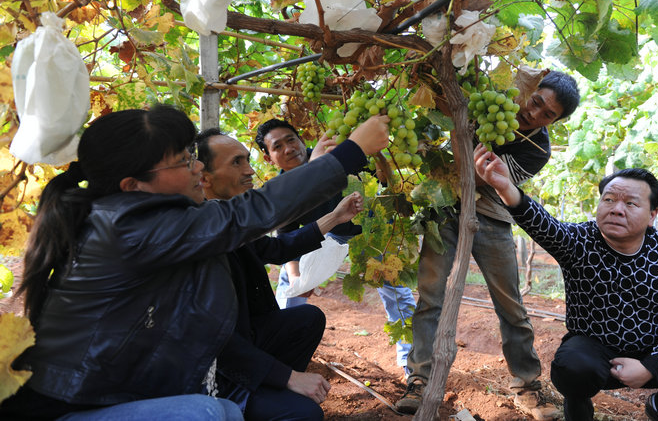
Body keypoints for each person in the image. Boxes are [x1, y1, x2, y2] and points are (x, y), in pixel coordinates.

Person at [0, 105, 389, 420]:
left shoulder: (135, 218)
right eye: (184, 161)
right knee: (205, 413)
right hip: (71, 402)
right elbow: (251, 213)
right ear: (132, 185)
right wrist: (348, 154)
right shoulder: (129, 227)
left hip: (101, 386)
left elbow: (262, 239)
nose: (198, 168)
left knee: (223, 407)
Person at [473, 154, 658, 421]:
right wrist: (505, 188)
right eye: (609, 199)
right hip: (596, 353)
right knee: (571, 368)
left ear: (652, 214)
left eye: (630, 203)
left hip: (655, 350)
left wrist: (652, 366)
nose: (616, 208)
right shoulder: (580, 241)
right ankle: (578, 411)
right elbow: (543, 225)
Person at [396, 71, 581, 418]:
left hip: (492, 217)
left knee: (511, 305)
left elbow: (482, 175)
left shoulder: (539, 150)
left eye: (547, 115)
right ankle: (419, 380)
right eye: (536, 101)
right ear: (529, 91)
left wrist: (461, 133)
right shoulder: (492, 98)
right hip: (444, 205)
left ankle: (526, 386)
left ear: (555, 122)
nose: (534, 113)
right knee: (430, 297)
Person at [195, 128, 364, 420]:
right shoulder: (201, 233)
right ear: (203, 177)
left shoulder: (228, 221)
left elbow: (275, 248)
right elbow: (217, 340)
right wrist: (289, 377)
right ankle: (243, 400)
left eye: (247, 160)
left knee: (306, 319)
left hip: (243, 338)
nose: (249, 171)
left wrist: (335, 217)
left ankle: (265, 390)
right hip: (214, 367)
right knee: (306, 414)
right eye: (236, 163)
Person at [256, 119, 416, 379]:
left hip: (368, 234)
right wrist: (298, 279)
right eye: (278, 146)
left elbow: (380, 176)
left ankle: (412, 367)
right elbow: (287, 238)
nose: (288, 148)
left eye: (291, 139)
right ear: (268, 156)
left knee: (397, 294)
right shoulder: (283, 189)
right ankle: (282, 359)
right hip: (322, 238)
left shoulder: (334, 153)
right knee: (290, 289)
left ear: (301, 139)